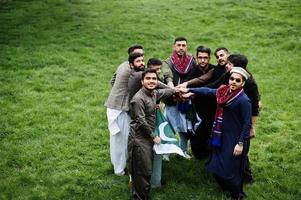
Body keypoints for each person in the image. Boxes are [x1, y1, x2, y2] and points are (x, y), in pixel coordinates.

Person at [180, 67, 252, 199]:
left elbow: (247, 124)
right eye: (232, 79)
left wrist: (240, 143)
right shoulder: (223, 91)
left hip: (234, 139)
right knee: (215, 165)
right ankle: (226, 188)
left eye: (237, 80)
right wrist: (190, 90)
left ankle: (238, 195)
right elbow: (208, 91)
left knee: (231, 170)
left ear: (243, 83)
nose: (233, 82)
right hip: (220, 136)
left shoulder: (244, 101)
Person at [206, 54, 261, 182]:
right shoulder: (229, 75)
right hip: (229, 120)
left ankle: (246, 176)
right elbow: (214, 87)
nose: (226, 65)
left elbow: (254, 107)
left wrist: (252, 127)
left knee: (241, 151)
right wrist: (192, 91)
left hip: (241, 122)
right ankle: (224, 172)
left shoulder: (249, 83)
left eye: (230, 64)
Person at [130, 68, 180, 199]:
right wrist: (153, 136)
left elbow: (167, 91)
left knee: (145, 170)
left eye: (154, 79)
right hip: (140, 138)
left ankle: (139, 194)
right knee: (144, 171)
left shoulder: (154, 93)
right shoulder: (138, 99)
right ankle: (141, 197)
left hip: (148, 136)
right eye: (148, 78)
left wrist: (177, 90)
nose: (151, 81)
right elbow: (140, 121)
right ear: (142, 81)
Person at [105, 51, 144, 176]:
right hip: (119, 109)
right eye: (138, 60)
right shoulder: (133, 73)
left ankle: (118, 166)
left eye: (142, 58)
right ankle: (119, 170)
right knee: (121, 141)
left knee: (118, 140)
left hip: (114, 106)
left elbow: (112, 80)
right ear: (131, 62)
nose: (142, 63)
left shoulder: (123, 65)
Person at [161, 37, 199, 159]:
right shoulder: (168, 62)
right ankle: (165, 153)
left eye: (183, 45)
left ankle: (183, 151)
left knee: (185, 128)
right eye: (178, 45)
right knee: (169, 127)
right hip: (172, 100)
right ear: (174, 46)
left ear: (186, 47)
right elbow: (168, 76)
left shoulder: (192, 61)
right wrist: (174, 90)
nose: (181, 48)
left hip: (187, 100)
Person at [189, 46, 216, 160]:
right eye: (200, 58)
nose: (203, 60)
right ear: (196, 58)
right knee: (196, 132)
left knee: (210, 129)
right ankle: (198, 155)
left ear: (209, 58)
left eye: (205, 58)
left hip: (213, 105)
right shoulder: (191, 72)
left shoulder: (215, 70)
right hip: (197, 106)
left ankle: (209, 152)